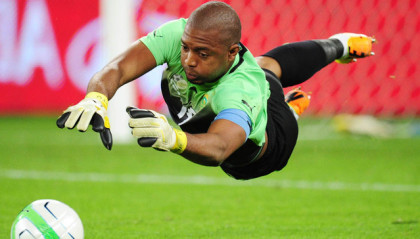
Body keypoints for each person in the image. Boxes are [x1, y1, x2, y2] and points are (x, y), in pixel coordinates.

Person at [56, 1, 375, 180]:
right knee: (266, 67)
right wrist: (96, 96)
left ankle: (328, 58)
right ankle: (340, 45)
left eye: (202, 54)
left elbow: (221, 148)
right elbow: (118, 67)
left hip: (265, 150)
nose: (189, 61)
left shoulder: (241, 89)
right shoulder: (180, 35)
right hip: (241, 94)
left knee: (267, 77)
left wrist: (173, 138)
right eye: (185, 49)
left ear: (231, 52)